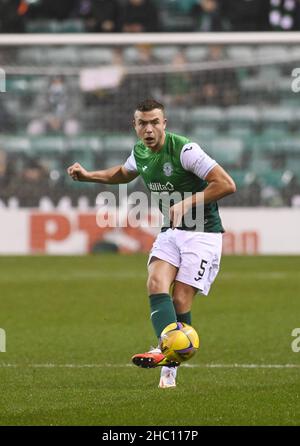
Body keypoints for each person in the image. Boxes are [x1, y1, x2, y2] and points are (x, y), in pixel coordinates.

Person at [67, 98, 236, 388]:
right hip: (171, 230)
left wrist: (187, 203)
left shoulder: (185, 149)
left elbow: (226, 184)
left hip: (202, 232)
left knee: (181, 299)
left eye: (155, 122)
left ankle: (170, 367)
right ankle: (164, 350)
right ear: (135, 126)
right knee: (156, 281)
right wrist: (88, 176)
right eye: (143, 123)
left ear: (164, 124)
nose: (149, 129)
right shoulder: (140, 152)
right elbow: (123, 173)